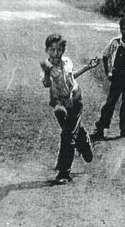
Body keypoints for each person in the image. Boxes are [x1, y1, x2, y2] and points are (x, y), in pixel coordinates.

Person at [40, 33, 99, 184]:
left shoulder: (67, 62)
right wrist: (47, 72)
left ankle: (64, 172)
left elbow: (71, 78)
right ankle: (84, 141)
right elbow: (46, 83)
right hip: (61, 104)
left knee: (67, 136)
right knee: (70, 129)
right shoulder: (47, 67)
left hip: (75, 100)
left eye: (59, 50)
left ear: (63, 51)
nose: (55, 53)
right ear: (47, 50)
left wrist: (87, 67)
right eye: (52, 50)